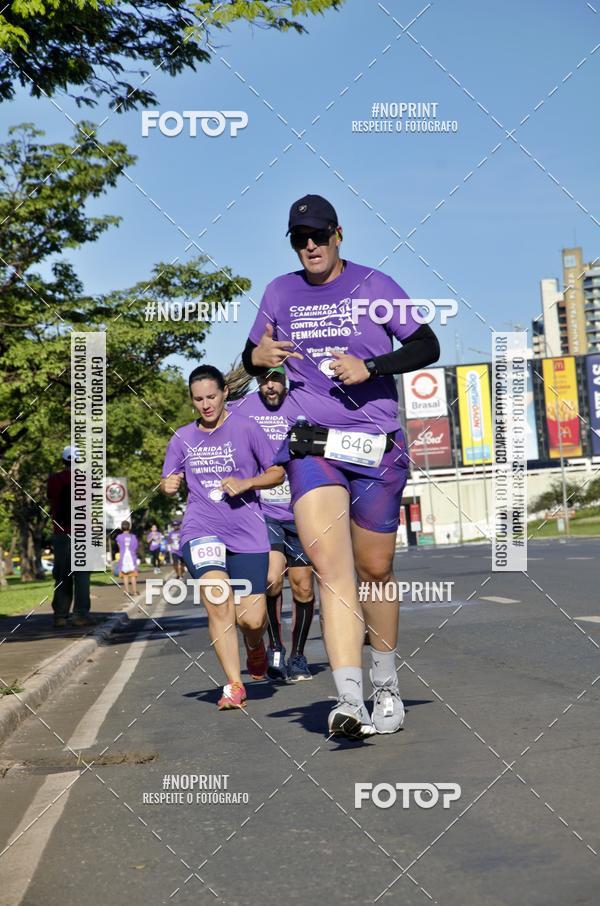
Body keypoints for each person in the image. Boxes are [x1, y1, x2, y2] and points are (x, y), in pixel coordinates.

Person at [242, 194, 440, 739]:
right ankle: (348, 699)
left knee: (374, 570)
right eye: (298, 238)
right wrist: (253, 360)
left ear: (338, 234)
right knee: (332, 569)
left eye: (318, 235)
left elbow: (427, 344)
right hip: (312, 447)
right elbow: (254, 353)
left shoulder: (376, 286)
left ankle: (386, 689)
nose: (309, 245)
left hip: (375, 445)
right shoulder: (279, 292)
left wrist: (370, 365)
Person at [160, 364, 286, 710]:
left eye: (211, 396)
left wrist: (247, 483)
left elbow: (277, 472)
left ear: (225, 393)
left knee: (252, 619)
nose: (205, 405)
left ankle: (255, 645)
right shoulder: (182, 437)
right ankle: (233, 684)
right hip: (201, 530)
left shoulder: (247, 428)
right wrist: (168, 484)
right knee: (218, 601)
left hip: (246, 532)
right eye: (198, 399)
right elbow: (168, 479)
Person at [234, 367, 316, 682]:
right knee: (270, 579)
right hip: (263, 509)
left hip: (302, 507)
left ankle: (298, 655)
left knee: (304, 588)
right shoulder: (242, 407)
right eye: (265, 380)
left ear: (286, 378)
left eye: (276, 379)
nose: (271, 386)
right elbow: (210, 408)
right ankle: (276, 648)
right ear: (257, 380)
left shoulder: (303, 403)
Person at [46, 446, 93, 628]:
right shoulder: (86, 479)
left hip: (61, 533)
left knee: (62, 576)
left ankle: (60, 616)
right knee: (82, 576)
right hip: (82, 532)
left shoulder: (54, 480)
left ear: (63, 461)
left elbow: (51, 497)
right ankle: (80, 615)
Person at [115, 521, 139, 597]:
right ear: (130, 527)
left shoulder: (119, 537)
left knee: (125, 575)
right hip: (132, 557)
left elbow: (119, 547)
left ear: (122, 528)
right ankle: (135, 591)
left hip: (123, 558)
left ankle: (127, 591)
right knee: (133, 575)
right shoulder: (134, 537)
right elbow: (135, 547)